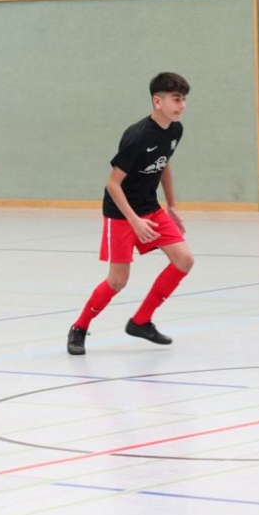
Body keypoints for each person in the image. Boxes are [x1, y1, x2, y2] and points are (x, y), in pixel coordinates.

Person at [67, 72, 195, 356]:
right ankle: (79, 327)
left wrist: (171, 205)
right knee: (118, 280)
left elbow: (164, 164)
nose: (182, 105)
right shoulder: (137, 137)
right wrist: (134, 221)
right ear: (157, 101)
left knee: (184, 259)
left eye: (184, 99)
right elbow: (112, 184)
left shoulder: (175, 130)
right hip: (121, 213)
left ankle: (141, 321)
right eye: (176, 99)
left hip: (151, 208)